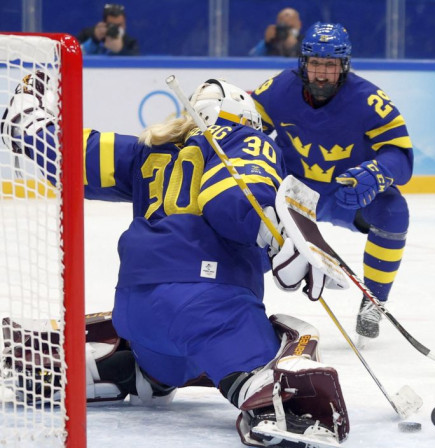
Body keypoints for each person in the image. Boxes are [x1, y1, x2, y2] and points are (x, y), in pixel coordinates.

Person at [1, 74, 349, 446]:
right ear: (244, 117)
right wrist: (276, 236)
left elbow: (68, 153)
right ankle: (272, 401)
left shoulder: (148, 148)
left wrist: (28, 121)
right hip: (209, 305)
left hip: (135, 308)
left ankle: (136, 371)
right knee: (290, 338)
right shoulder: (245, 138)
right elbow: (232, 200)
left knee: (172, 355)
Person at [250, 22, 414, 342]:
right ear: (303, 64)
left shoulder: (369, 100)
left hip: (345, 196)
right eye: (315, 63)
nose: (321, 73)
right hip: (293, 195)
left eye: (330, 65)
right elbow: (248, 127)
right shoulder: (278, 89)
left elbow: (401, 156)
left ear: (344, 66)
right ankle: (235, 299)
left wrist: (377, 174)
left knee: (394, 211)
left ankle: (374, 301)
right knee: (248, 223)